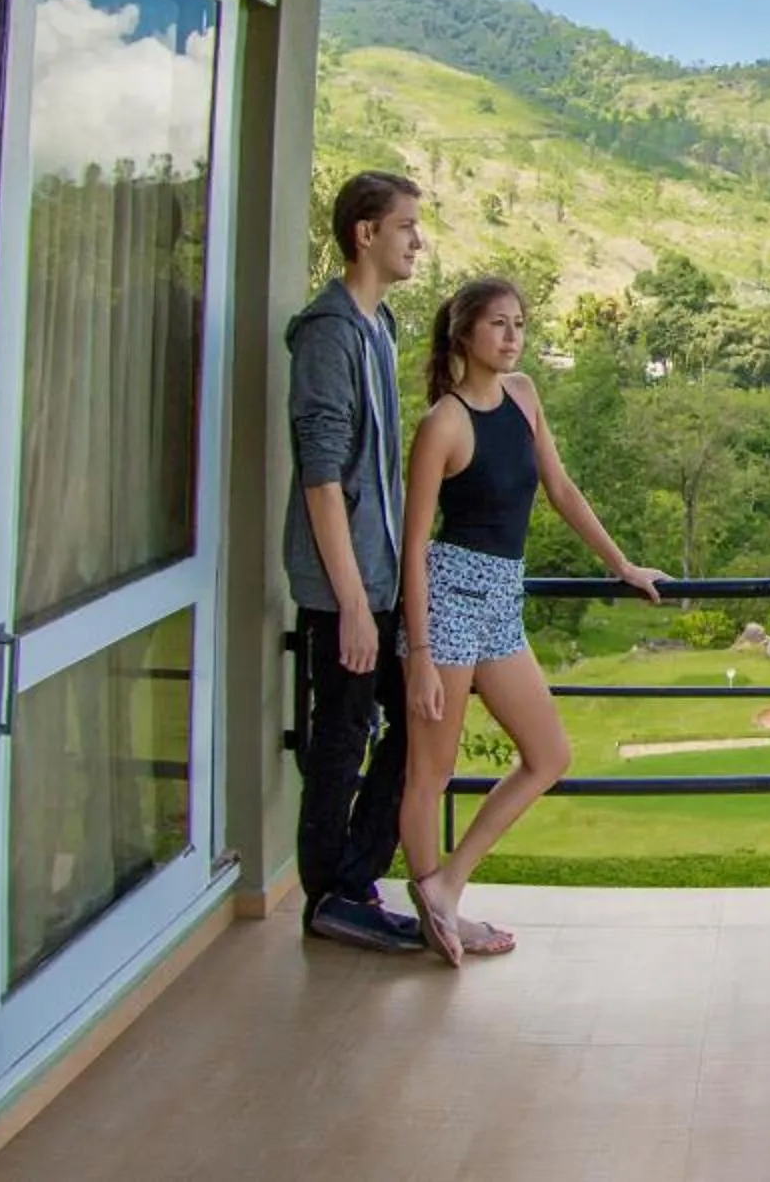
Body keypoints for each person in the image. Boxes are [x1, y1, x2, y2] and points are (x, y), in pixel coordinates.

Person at [396, 276, 664, 965]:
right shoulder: (443, 424)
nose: (513, 337)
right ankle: (437, 917)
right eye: (498, 325)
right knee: (431, 772)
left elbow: (562, 489)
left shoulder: (524, 397)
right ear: (464, 334)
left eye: (520, 324)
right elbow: (414, 543)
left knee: (549, 755)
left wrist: (622, 564)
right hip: (449, 605)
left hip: (501, 607)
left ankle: (447, 887)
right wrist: (421, 651)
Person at [284, 170, 427, 953]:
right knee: (339, 742)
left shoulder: (381, 328)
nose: (417, 240)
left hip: (378, 580)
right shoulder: (329, 333)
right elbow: (321, 475)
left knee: (413, 722)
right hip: (345, 588)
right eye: (406, 226)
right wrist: (349, 604)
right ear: (365, 233)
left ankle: (354, 878)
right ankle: (330, 897)